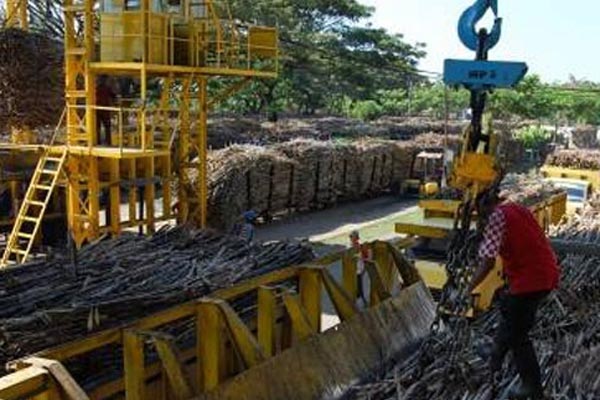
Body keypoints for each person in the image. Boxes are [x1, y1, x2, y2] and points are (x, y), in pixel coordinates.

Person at [469, 189, 560, 400]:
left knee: (518, 335)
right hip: (545, 273)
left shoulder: (495, 217)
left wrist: (470, 287)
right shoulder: (518, 209)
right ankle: (495, 357)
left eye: (480, 214)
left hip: (530, 279)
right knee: (512, 316)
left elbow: (488, 261)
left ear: (484, 207)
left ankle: (532, 387)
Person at [349, 230, 370, 306]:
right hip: (354, 270)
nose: (351, 238)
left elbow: (364, 256)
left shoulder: (358, 246)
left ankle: (362, 301)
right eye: (350, 237)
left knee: (359, 286)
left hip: (359, 269)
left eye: (352, 237)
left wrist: (357, 256)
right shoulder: (351, 246)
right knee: (357, 286)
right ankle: (361, 300)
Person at [96, 76, 117, 146]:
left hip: (98, 109)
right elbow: (113, 96)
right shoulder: (106, 88)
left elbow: (113, 96)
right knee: (106, 126)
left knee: (99, 127)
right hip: (103, 109)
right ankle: (108, 142)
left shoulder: (97, 88)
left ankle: (99, 141)